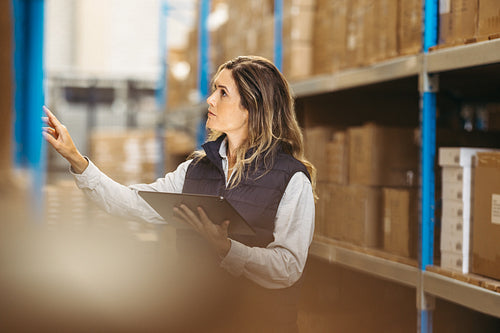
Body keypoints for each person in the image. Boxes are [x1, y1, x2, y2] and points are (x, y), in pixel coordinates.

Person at [43, 55, 316, 332]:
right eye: (213, 90)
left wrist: (228, 249)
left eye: (222, 93)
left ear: (252, 107)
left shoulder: (291, 179)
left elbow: (288, 268)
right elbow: (132, 203)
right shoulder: (195, 170)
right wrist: (76, 159)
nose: (210, 100)